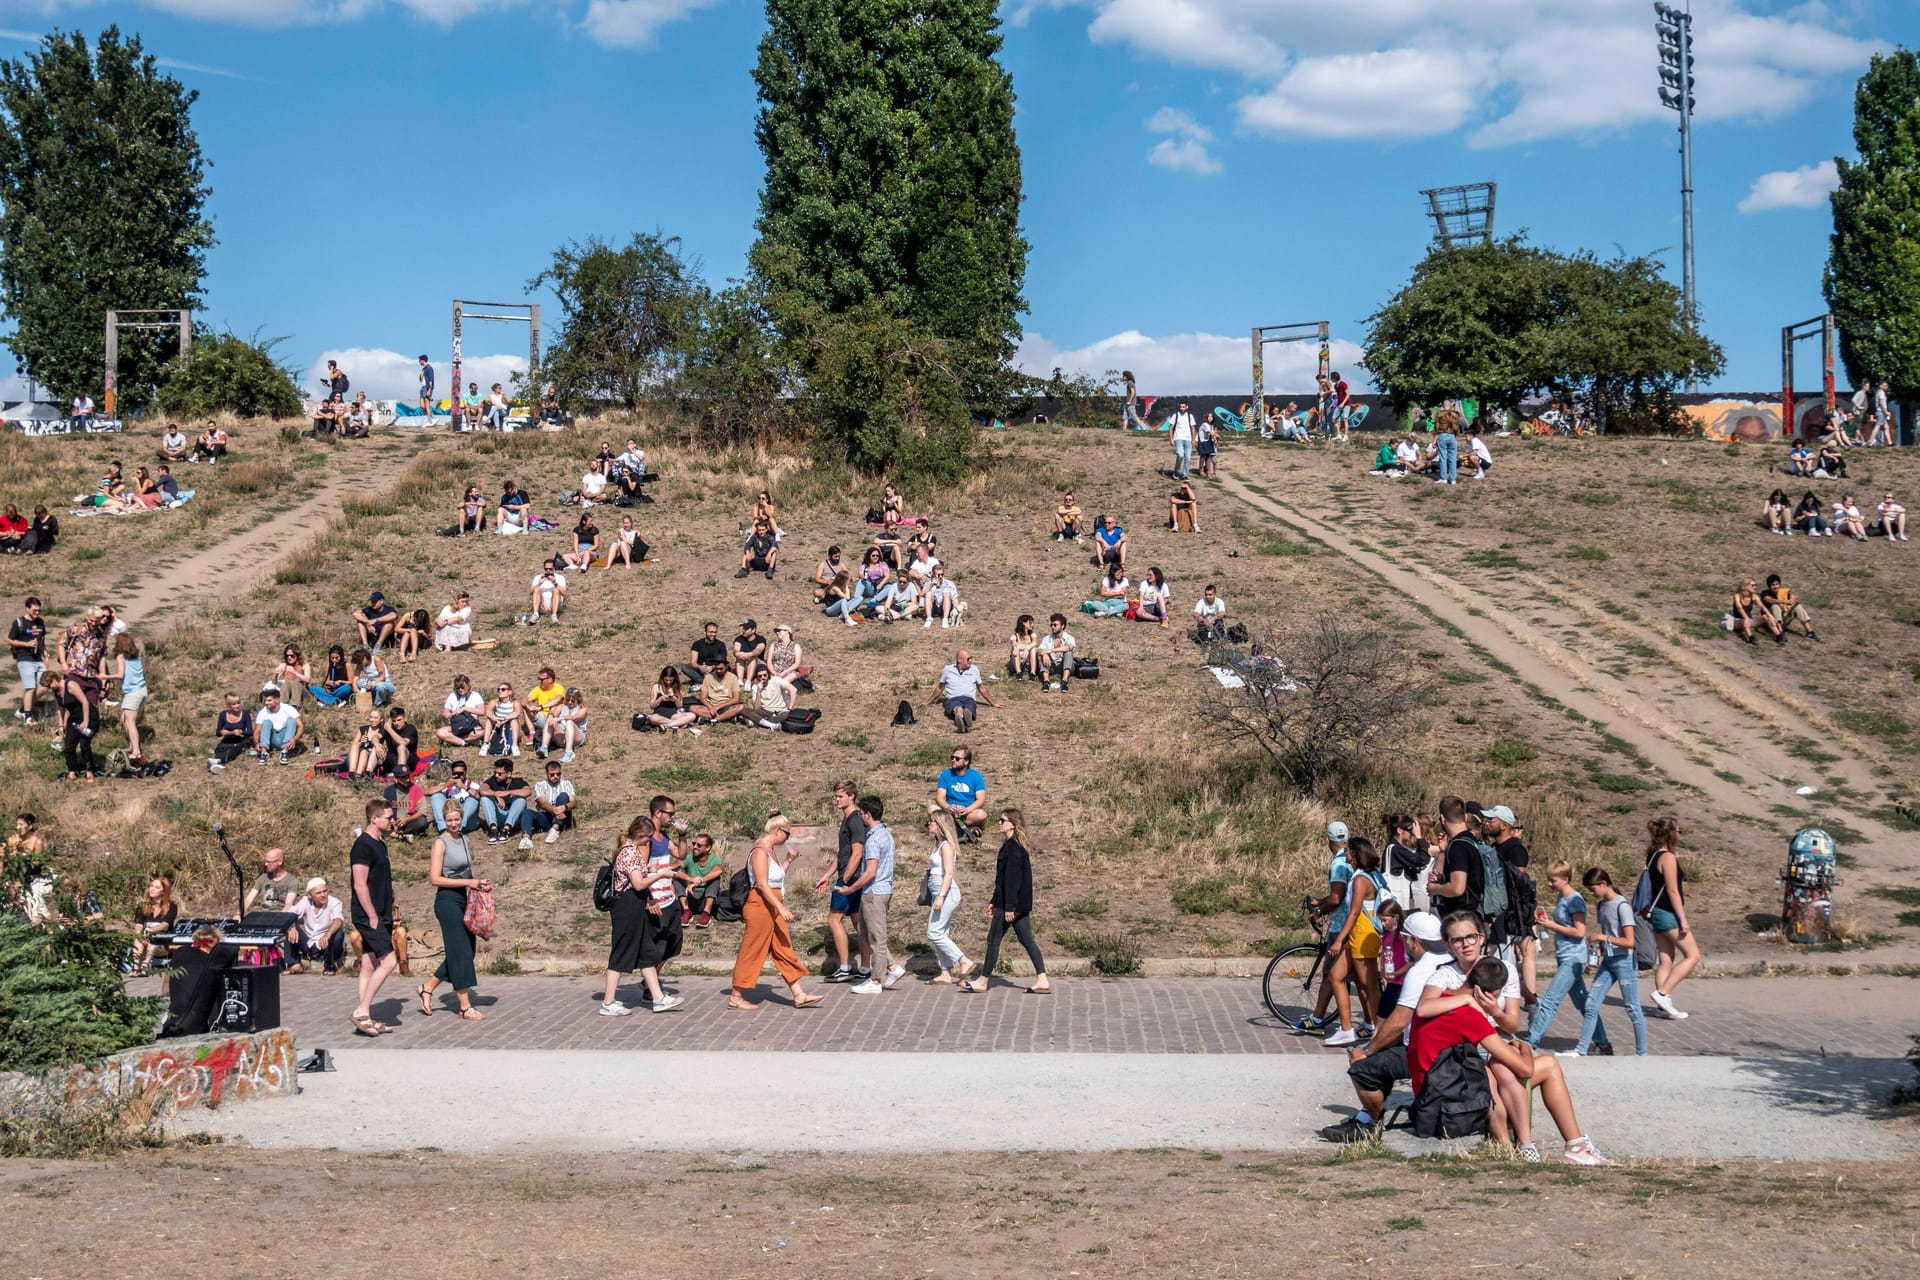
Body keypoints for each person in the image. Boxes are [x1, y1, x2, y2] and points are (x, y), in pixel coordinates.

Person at [1414, 956, 1612, 1164]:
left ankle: (1518, 1144)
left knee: (1496, 1068)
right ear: (1493, 993)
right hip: (1450, 1103)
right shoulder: (1468, 1015)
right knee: (1544, 1065)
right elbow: (1524, 1069)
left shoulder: (1439, 1001)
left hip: (1430, 1095)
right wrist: (1524, 1047)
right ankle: (1569, 1146)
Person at [729, 812, 823, 1011]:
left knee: (782, 947)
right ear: (776, 830)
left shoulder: (770, 850)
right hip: (760, 905)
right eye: (787, 834)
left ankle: (799, 994)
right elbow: (762, 885)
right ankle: (736, 996)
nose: (788, 838)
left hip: (772, 904)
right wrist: (780, 907)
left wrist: (788, 860)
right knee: (752, 949)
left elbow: (774, 879)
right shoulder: (760, 851)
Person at [1524, 861, 1613, 1054]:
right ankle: (1603, 1043)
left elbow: (1580, 931)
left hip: (1574, 958)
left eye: (1552, 880)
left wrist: (1551, 925)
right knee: (1583, 1003)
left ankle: (1530, 1041)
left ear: (1565, 879)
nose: (1549, 883)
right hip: (1565, 956)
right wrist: (1547, 921)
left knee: (1549, 1001)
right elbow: (1564, 924)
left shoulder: (1575, 900)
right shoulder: (1562, 897)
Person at [417, 795, 491, 1020]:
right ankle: (464, 1006)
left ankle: (427, 987)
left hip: (463, 898)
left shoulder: (464, 838)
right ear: (443, 820)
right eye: (449, 820)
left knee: (467, 950)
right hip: (447, 900)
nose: (453, 824)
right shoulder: (440, 842)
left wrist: (478, 883)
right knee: (459, 951)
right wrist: (469, 882)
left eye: (457, 819)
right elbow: (435, 878)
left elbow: (465, 872)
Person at [961, 809, 1050, 994]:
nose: (999, 823)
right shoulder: (1011, 845)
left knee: (993, 940)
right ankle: (1042, 979)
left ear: (1012, 824)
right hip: (1014, 903)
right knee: (1027, 940)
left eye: (1002, 820)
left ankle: (983, 981)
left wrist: (1009, 907)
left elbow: (1012, 881)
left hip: (1011, 904)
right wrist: (994, 900)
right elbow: (1001, 879)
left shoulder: (1014, 849)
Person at [1569, 869, 1648, 1056]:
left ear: (1604, 884)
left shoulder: (1622, 906)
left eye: (1593, 888)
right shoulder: (1601, 905)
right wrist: (1598, 950)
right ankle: (1581, 1049)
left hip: (1625, 962)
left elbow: (1629, 941)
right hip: (1608, 961)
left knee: (1632, 1007)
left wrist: (1603, 937)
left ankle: (1641, 1053)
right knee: (1591, 1004)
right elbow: (1609, 935)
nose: (1591, 893)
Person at [1325, 836, 1388, 1048]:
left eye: (1349, 850)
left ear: (1356, 853)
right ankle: (1346, 1029)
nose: (1346, 853)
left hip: (1363, 936)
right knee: (1335, 976)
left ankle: (1380, 1031)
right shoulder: (1366, 874)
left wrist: (1338, 940)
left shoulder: (1361, 880)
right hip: (1356, 936)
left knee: (1369, 986)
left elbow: (1353, 913)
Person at [349, 799, 401, 1036]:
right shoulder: (363, 846)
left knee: (370, 964)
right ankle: (361, 1010)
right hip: (368, 914)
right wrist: (371, 916)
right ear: (374, 819)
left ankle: (365, 1016)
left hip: (382, 912)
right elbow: (360, 884)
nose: (392, 821)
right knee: (390, 961)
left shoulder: (381, 845)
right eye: (388, 817)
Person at [1642, 816, 1699, 1019]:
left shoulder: (1652, 855)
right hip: (1667, 914)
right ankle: (1663, 994)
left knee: (1666, 960)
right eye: (1679, 830)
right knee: (1693, 955)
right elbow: (1673, 891)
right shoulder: (1668, 858)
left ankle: (1663, 1006)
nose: (1680, 834)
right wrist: (1683, 920)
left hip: (1654, 912)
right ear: (1670, 834)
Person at [844, 797, 904, 993]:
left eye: (861, 813)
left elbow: (870, 871)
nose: (860, 816)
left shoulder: (873, 840)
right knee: (867, 933)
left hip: (874, 893)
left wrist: (851, 889)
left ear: (867, 815)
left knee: (877, 938)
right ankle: (893, 968)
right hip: (879, 891)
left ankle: (876, 980)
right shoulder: (885, 834)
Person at [816, 782, 873, 983]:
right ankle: (865, 967)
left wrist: (845, 880)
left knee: (834, 920)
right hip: (849, 875)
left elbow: (857, 852)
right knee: (859, 924)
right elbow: (843, 852)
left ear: (852, 796)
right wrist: (828, 875)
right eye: (836, 796)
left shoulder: (855, 820)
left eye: (840, 796)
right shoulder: (847, 818)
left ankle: (845, 967)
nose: (836, 800)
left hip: (852, 877)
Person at [923, 808, 971, 983]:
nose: (929, 824)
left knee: (934, 932)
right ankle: (945, 972)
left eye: (933, 821)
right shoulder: (939, 844)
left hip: (946, 891)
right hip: (937, 889)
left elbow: (949, 873)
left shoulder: (947, 846)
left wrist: (941, 896)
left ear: (941, 824)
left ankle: (963, 960)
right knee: (941, 932)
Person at [928, 647, 998, 733]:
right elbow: (940, 688)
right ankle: (960, 719)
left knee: (969, 707)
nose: (970, 661)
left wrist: (993, 703)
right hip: (953, 698)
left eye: (971, 658)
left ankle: (965, 716)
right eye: (968, 659)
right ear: (959, 660)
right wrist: (928, 701)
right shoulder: (948, 670)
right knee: (957, 707)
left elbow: (981, 688)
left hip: (969, 698)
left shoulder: (974, 669)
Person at [288, 878, 345, 974]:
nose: (323, 895)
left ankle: (329, 966)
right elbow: (291, 913)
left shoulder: (335, 903)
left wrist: (328, 934)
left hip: (327, 944)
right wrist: (292, 927)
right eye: (319, 893)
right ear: (310, 896)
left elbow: (338, 920)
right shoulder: (305, 901)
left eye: (325, 891)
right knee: (289, 928)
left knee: (338, 932)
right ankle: (293, 963)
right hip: (310, 943)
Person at [475, 758, 533, 847]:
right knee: (485, 798)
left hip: (515, 820)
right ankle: (493, 830)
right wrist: (496, 795)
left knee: (521, 799)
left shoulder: (518, 782)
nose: (496, 776)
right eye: (495, 773)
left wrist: (509, 792)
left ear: (509, 774)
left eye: (499, 774)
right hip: (500, 816)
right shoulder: (493, 781)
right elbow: (482, 789)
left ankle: (506, 830)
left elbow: (528, 791)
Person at [9, 596, 46, 726]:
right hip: (25, 658)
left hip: (38, 659)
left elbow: (42, 640)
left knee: (44, 686)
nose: (37, 613)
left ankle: (22, 710)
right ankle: (28, 717)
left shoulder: (40, 622)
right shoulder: (19, 622)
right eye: (34, 610)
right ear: (27, 608)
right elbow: (9, 640)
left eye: (38, 610)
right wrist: (26, 644)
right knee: (30, 688)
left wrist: (46, 656)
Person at [130, 876, 178, 973]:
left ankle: (145, 965)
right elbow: (139, 923)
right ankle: (135, 968)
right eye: (151, 886)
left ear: (163, 892)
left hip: (163, 945)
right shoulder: (143, 906)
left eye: (157, 887)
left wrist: (151, 930)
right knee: (137, 939)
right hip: (145, 941)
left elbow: (165, 925)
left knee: (154, 939)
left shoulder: (171, 906)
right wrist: (139, 932)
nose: (152, 889)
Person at [936, 746, 988, 835]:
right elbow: (939, 797)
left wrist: (967, 810)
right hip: (949, 811)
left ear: (966, 761)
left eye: (957, 759)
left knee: (981, 814)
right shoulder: (946, 774)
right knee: (932, 809)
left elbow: (981, 799)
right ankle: (966, 828)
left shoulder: (976, 776)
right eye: (952, 757)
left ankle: (951, 826)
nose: (953, 760)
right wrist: (947, 807)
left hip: (967, 813)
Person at [680, 831, 726, 927]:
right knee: (677, 877)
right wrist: (690, 878)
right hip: (690, 897)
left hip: (705, 898)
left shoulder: (715, 859)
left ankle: (706, 913)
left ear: (708, 848)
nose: (695, 847)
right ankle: (686, 910)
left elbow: (719, 870)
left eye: (699, 845)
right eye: (694, 844)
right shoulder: (689, 858)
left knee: (715, 878)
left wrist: (700, 880)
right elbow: (675, 869)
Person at [521, 667, 569, 754]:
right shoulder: (538, 689)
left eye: (541, 679)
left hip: (555, 719)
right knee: (525, 708)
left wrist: (541, 707)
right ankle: (532, 733)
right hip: (542, 717)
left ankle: (546, 742)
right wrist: (528, 706)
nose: (539, 682)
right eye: (538, 679)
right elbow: (525, 700)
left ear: (550, 679)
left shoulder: (558, 688)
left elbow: (558, 699)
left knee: (554, 708)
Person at [252, 686, 304, 762]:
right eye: (265, 700)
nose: (266, 703)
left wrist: (295, 739)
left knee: (291, 720)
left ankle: (285, 752)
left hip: (285, 737)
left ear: (277, 700)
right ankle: (264, 752)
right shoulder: (263, 712)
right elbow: (257, 731)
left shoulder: (288, 708)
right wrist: (256, 744)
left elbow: (301, 726)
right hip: (271, 739)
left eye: (269, 700)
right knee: (267, 722)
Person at [245, 846, 302, 914]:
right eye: (266, 861)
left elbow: (288, 905)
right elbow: (249, 899)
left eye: (269, 862)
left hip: (281, 915)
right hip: (263, 915)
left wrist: (278, 919)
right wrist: (238, 914)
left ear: (279, 862)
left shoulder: (292, 881)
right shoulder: (263, 878)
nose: (266, 864)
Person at [1762, 574, 1820, 641]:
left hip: (1783, 619)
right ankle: (1780, 633)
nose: (1775, 586)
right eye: (1773, 585)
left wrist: (1794, 601)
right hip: (1771, 623)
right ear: (1769, 586)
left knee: (1797, 606)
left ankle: (1809, 632)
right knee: (1775, 606)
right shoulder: (1765, 593)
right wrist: (1786, 602)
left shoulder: (1784, 592)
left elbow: (1793, 600)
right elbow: (1769, 600)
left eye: (1777, 584)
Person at [647, 666, 700, 733]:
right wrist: (660, 699)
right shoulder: (656, 687)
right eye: (666, 680)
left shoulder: (676, 687)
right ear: (662, 678)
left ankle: (666, 726)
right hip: (659, 713)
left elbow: (679, 706)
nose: (668, 682)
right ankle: (679, 724)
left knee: (692, 716)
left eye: (670, 680)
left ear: (674, 679)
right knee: (653, 718)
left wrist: (675, 700)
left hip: (673, 714)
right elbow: (651, 706)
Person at [433, 759, 480, 835]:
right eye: (455, 773)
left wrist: (464, 787)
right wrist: (446, 785)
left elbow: (479, 796)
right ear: (452, 773)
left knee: (473, 799)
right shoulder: (448, 785)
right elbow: (427, 792)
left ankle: (459, 829)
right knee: (436, 795)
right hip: (450, 822)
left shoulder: (472, 785)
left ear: (465, 773)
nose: (458, 776)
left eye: (461, 773)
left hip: (468, 823)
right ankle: (443, 828)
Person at [209, 691, 253, 771]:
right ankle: (218, 764)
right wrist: (224, 732)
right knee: (221, 748)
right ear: (229, 705)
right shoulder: (223, 714)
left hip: (241, 740)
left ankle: (218, 761)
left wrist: (241, 732)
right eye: (234, 704)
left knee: (236, 749)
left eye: (238, 703)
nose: (237, 706)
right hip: (227, 740)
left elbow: (250, 732)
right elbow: (218, 733)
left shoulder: (245, 714)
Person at [1731, 578, 1784, 645]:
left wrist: (1770, 616)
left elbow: (1762, 606)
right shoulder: (1737, 596)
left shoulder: (1754, 596)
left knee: (1766, 617)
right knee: (1745, 621)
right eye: (1752, 585)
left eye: (1755, 585)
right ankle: (1750, 638)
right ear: (1745, 586)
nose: (1755, 587)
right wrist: (1746, 618)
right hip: (1738, 621)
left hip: (1750, 621)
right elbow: (1739, 608)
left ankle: (1778, 636)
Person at [762, 624, 802, 710]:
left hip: (790, 671)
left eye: (779, 631)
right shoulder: (773, 645)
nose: (777, 633)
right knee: (777, 681)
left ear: (787, 632)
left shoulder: (796, 646)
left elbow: (797, 663)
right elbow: (769, 661)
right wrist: (773, 672)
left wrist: (785, 672)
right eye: (776, 631)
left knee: (782, 681)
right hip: (775, 671)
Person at [346, 707, 392, 780]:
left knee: (370, 749)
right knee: (357, 745)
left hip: (372, 758)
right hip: (357, 758)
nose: (372, 720)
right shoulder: (363, 729)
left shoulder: (382, 730)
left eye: (375, 718)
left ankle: (361, 774)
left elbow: (381, 740)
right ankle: (352, 772)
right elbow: (354, 743)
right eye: (371, 717)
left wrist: (377, 746)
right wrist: (361, 742)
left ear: (381, 719)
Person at [545, 688, 588, 763]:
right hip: (562, 737)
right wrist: (551, 715)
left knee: (569, 722)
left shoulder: (582, 709)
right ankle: (544, 747)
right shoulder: (562, 707)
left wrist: (560, 718)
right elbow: (552, 714)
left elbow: (574, 718)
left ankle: (569, 752)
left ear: (578, 700)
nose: (570, 702)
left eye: (572, 701)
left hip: (577, 738)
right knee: (550, 719)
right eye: (568, 700)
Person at [1038, 613, 1076, 691]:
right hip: (1051, 665)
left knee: (1068, 653)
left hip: (1065, 665)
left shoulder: (1069, 637)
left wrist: (1052, 650)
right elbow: (1038, 650)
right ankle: (1046, 681)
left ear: (1062, 626)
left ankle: (1064, 681)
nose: (1052, 627)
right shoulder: (1047, 638)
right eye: (1051, 625)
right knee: (1043, 655)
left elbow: (1069, 647)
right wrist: (1044, 654)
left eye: (1055, 625)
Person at [701, 658, 746, 724]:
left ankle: (715, 719)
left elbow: (736, 699)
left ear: (726, 666)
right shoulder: (708, 677)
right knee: (693, 708)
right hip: (711, 706)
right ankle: (727, 717)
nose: (718, 671)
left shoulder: (733, 677)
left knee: (740, 707)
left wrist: (718, 707)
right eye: (717, 669)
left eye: (721, 669)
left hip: (727, 706)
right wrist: (711, 708)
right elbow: (702, 698)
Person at [525, 559, 568, 625]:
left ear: (554, 568)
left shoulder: (560, 577)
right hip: (542, 604)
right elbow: (531, 592)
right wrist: (539, 583)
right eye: (546, 569)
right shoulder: (538, 577)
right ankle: (535, 614)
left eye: (550, 569)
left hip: (556, 603)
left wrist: (555, 582)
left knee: (556, 590)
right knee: (537, 589)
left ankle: (554, 615)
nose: (548, 571)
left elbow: (564, 593)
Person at [732, 620, 768, 688]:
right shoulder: (739, 639)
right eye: (743, 628)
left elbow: (758, 650)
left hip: (758, 666)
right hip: (744, 665)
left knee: (753, 657)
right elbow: (736, 650)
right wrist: (739, 654)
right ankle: (740, 681)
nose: (743, 630)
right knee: (739, 657)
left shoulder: (760, 639)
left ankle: (748, 681)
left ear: (753, 630)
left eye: (746, 629)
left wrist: (748, 655)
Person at [1167, 401, 1196, 479]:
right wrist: (1171, 439)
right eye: (1180, 407)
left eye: (1183, 407)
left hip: (1188, 439)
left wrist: (1193, 439)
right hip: (1178, 438)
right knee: (1180, 455)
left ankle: (1185, 475)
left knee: (1188, 458)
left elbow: (1193, 428)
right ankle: (1176, 472)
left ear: (1187, 407)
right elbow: (1171, 427)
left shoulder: (1190, 416)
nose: (1182, 408)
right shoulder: (1175, 415)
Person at [1433, 406, 1461, 485]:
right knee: (1453, 459)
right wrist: (1455, 438)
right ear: (1450, 406)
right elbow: (1457, 429)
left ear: (1443, 406)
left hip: (1443, 435)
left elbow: (1437, 429)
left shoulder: (1440, 414)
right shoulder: (1455, 415)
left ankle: (1443, 478)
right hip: (1452, 436)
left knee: (1443, 458)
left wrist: (1435, 440)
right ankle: (1453, 480)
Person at [1007, 614, 1039, 680]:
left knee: (1033, 649)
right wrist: (1017, 650)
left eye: (1032, 622)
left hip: (1027, 663)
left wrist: (1027, 650)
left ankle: (1032, 673)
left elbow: (1035, 643)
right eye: (1030, 622)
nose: (1032, 624)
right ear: (1024, 623)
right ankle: (1019, 673)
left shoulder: (1032, 635)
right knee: (1015, 650)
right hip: (1016, 662)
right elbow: (1014, 646)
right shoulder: (1015, 636)